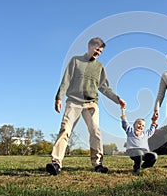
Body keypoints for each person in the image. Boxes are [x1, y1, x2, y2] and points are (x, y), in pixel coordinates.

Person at [46, 37, 126, 175]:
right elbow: (66, 80)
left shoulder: (99, 67)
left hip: (91, 103)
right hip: (74, 101)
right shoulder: (76, 61)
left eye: (100, 51)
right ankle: (56, 163)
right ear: (89, 46)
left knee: (95, 131)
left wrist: (117, 99)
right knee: (65, 129)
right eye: (96, 49)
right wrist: (59, 97)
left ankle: (98, 163)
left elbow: (104, 87)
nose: (98, 53)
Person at [121, 108, 158, 174]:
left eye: (143, 125)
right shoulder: (130, 131)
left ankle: (144, 166)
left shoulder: (145, 134)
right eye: (139, 124)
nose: (141, 126)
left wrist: (154, 121)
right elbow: (125, 123)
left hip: (144, 152)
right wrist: (123, 111)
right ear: (134, 125)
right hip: (133, 151)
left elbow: (152, 130)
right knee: (139, 153)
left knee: (154, 156)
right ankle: (136, 169)